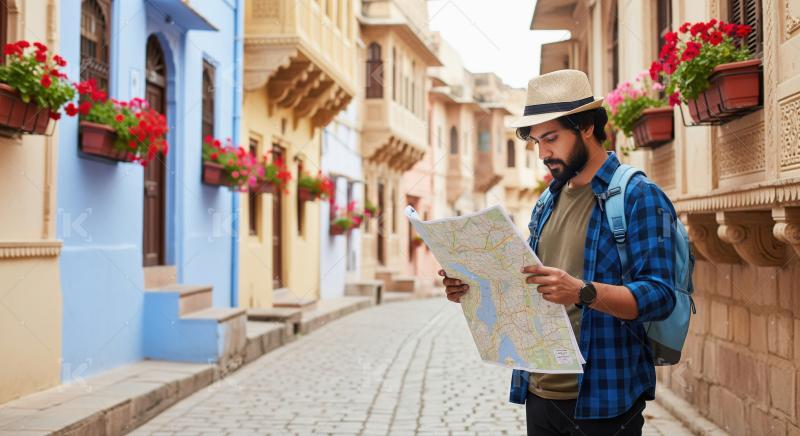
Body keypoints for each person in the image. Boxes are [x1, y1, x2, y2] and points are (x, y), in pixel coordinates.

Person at [439, 69, 678, 436]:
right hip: (539, 393)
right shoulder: (546, 202)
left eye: (551, 138)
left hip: (605, 402)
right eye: (536, 142)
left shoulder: (638, 196)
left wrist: (583, 291)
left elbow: (661, 296)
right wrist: (473, 285)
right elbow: (527, 287)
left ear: (585, 126)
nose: (543, 153)